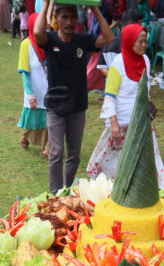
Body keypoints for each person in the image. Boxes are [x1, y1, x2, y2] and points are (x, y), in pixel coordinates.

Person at [33, 0, 114, 194]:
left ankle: (66, 190)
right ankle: (55, 194)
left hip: (77, 106)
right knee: (56, 152)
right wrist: (47, 3)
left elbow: (109, 37)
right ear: (57, 19)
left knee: (74, 154)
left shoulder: (82, 41)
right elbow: (37, 32)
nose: (69, 22)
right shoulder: (50, 39)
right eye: (64, 17)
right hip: (55, 106)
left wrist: (94, 7)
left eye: (72, 17)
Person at [86, 24, 164, 187]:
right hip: (121, 122)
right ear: (129, 41)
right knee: (116, 163)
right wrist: (114, 123)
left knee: (144, 159)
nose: (144, 45)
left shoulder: (145, 60)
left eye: (146, 41)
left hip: (141, 121)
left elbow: (144, 90)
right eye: (140, 41)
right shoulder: (118, 64)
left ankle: (141, 189)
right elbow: (109, 96)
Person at [18, 12, 49, 158]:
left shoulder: (50, 41)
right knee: (32, 118)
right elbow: (25, 72)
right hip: (34, 89)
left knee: (49, 119)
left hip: (49, 89)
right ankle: (25, 135)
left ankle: (47, 147)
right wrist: (30, 94)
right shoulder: (26, 45)